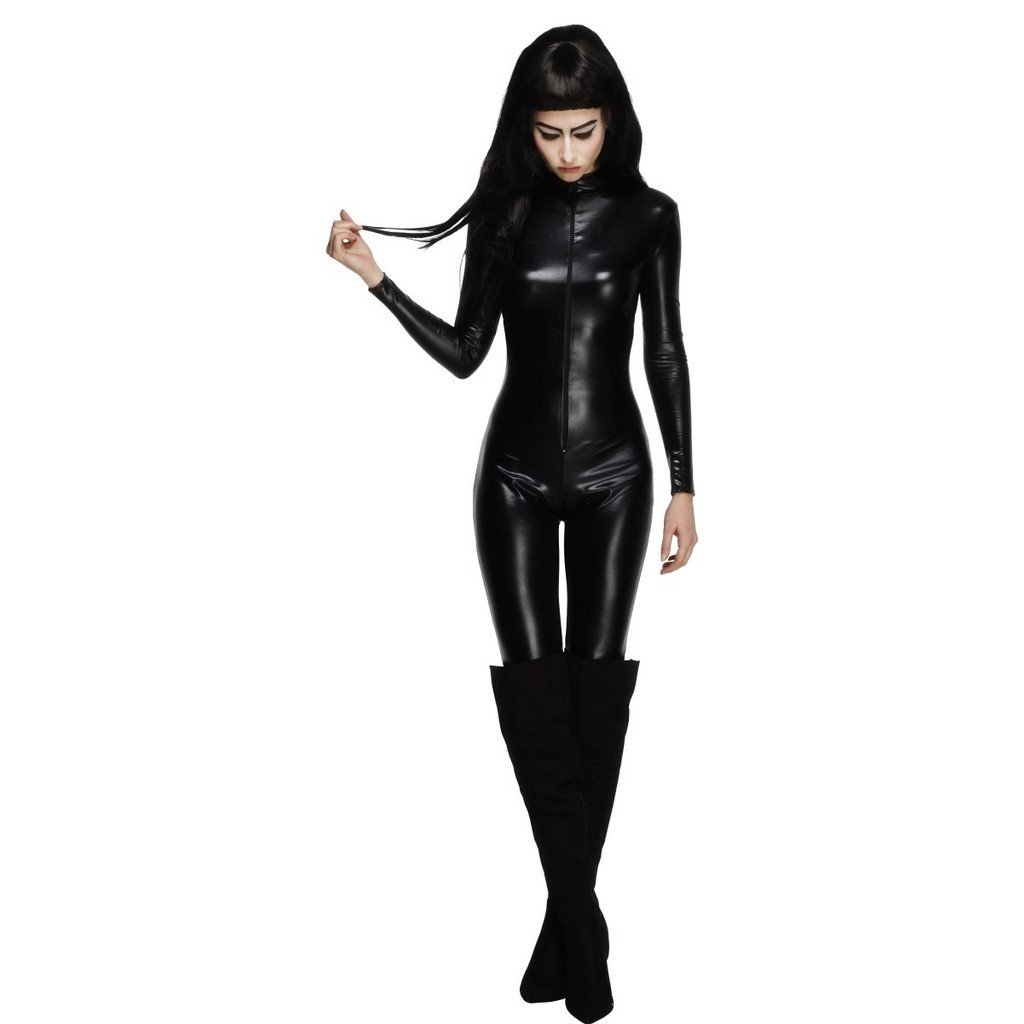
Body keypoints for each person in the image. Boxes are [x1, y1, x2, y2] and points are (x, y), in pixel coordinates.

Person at [326, 25, 697, 1024]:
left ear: (612, 122)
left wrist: (684, 484)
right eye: (548, 133)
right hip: (514, 478)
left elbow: (665, 351)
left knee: (597, 701)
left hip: (619, 475)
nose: (567, 151)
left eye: (583, 130)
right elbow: (464, 353)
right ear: (524, 130)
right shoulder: (505, 216)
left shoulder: (651, 216)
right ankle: (584, 930)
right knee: (536, 703)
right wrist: (374, 279)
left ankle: (563, 928)